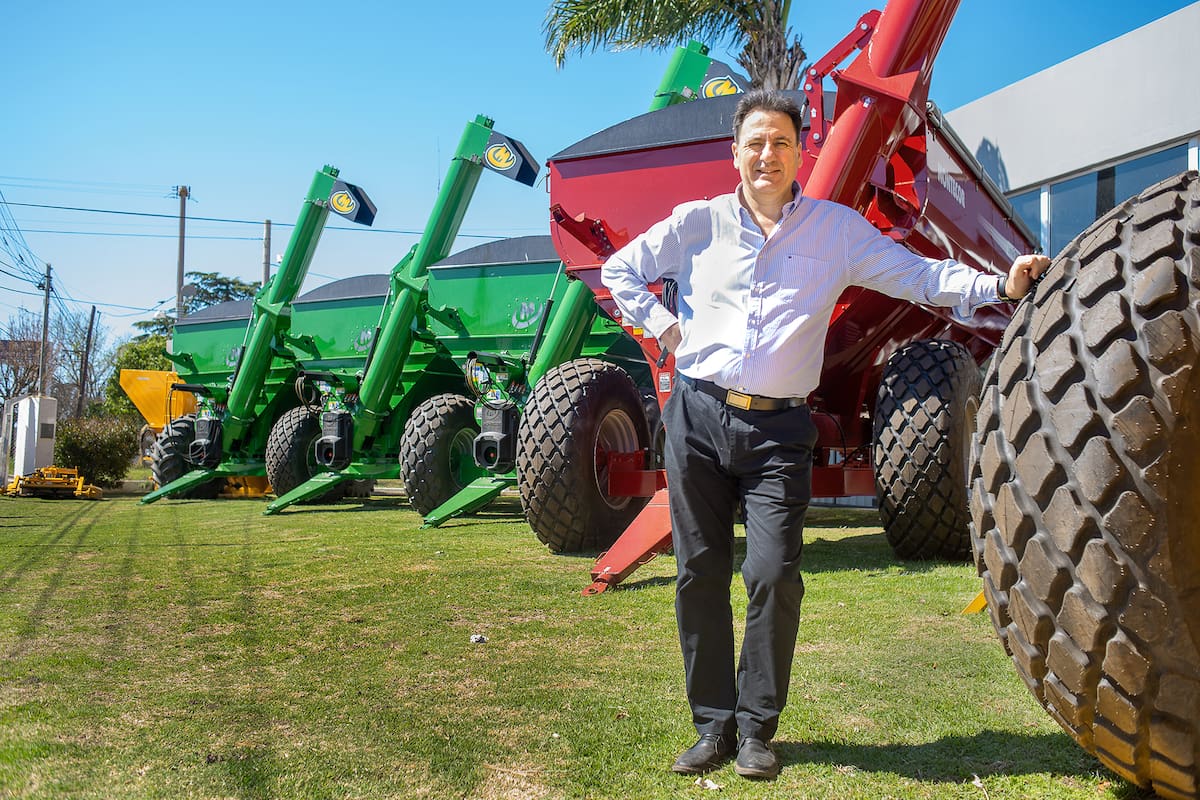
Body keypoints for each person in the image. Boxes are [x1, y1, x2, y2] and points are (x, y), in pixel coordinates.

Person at [600, 89, 1049, 780]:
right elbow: (620, 269)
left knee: (774, 572)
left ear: (797, 152)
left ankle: (756, 730)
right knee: (698, 572)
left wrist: (1001, 284)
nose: (766, 154)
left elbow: (920, 277)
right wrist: (663, 331)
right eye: (754, 142)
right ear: (735, 153)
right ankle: (711, 726)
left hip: (780, 427)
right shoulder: (698, 223)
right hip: (695, 417)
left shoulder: (835, 231)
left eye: (780, 141)